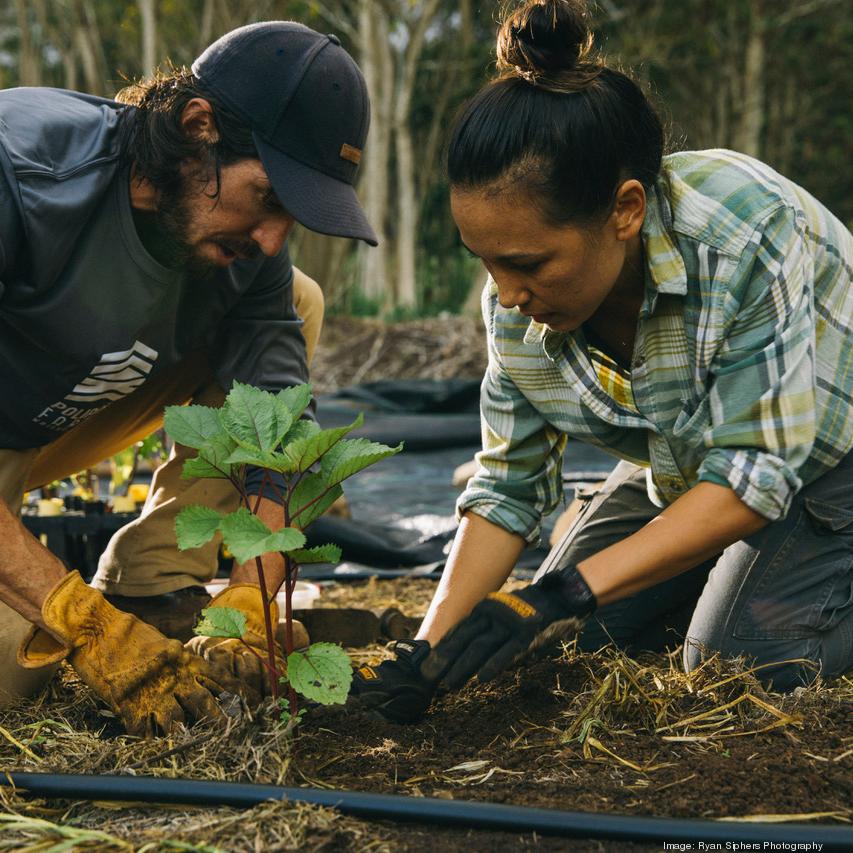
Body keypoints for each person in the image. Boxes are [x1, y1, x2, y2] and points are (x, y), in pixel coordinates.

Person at [350, 0, 853, 723]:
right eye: (486, 263)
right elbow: (506, 489)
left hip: (829, 453)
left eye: (525, 263)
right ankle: (725, 577)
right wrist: (426, 657)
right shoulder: (515, 304)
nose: (505, 294)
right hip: (689, 462)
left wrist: (560, 588)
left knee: (741, 665)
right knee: (552, 643)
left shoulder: (743, 235)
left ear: (624, 210)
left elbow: (751, 476)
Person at [0, 21, 377, 736]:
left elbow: (274, 418)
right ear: (197, 127)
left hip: (57, 410)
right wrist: (84, 626)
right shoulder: (18, 170)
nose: (271, 238)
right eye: (268, 197)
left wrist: (250, 599)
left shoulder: (243, 242)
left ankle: (154, 584)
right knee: (9, 678)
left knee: (293, 300)